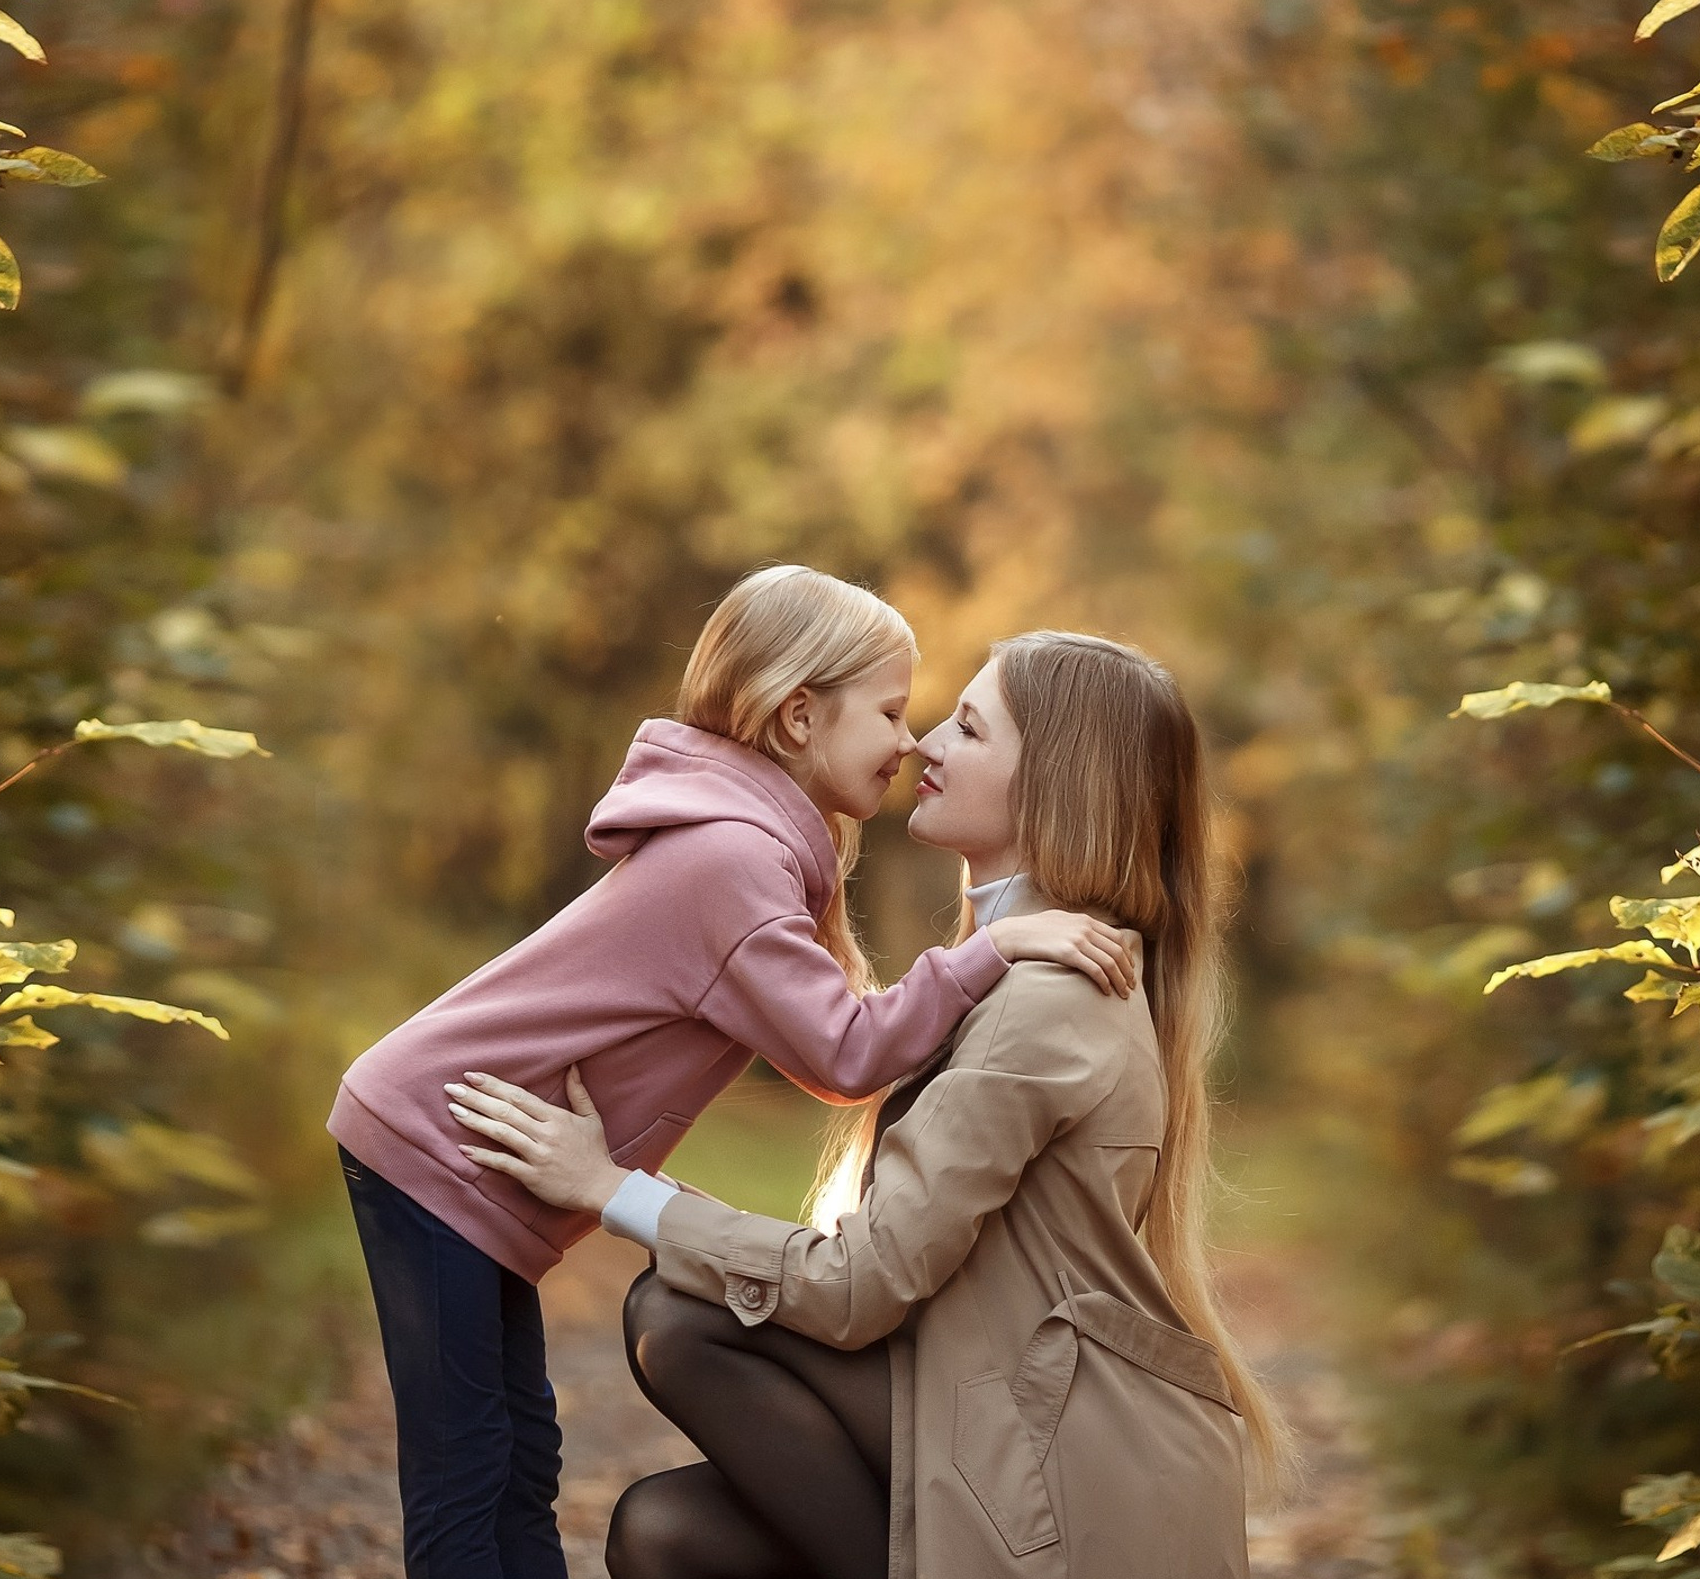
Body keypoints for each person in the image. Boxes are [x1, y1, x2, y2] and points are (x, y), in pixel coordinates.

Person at [328, 570, 1138, 1579]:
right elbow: (847, 1056)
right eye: (890, 712)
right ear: (799, 716)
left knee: (519, 1455)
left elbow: (842, 1049)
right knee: (466, 1465)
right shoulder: (733, 862)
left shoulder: (753, 847)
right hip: (430, 1137)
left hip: (458, 1148)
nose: (908, 742)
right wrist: (996, 948)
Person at [452, 630, 1295, 1579]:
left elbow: (862, 1285)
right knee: (664, 1532)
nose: (923, 747)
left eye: (968, 730)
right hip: (994, 1420)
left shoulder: (1052, 1000)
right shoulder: (1021, 967)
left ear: (1054, 785)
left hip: (1058, 1477)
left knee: (679, 1321)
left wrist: (613, 1189)